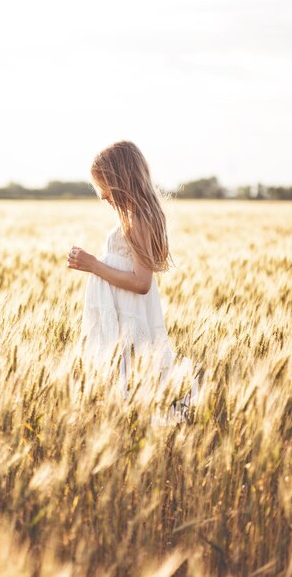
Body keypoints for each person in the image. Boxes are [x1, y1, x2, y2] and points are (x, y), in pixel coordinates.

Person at [67, 140, 200, 422]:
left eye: (104, 186)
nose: (102, 196)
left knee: (135, 375)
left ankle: (166, 410)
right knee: (123, 374)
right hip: (119, 311)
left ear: (121, 180)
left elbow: (142, 282)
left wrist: (94, 265)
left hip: (129, 313)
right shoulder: (133, 217)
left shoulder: (139, 219)